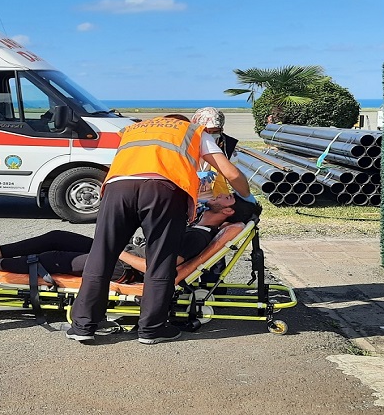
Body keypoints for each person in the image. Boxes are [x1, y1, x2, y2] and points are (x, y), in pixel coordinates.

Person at [67, 114, 257, 345]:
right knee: (161, 257)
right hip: (163, 190)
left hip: (118, 188)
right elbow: (232, 173)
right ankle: (151, 329)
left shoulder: (133, 130)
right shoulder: (192, 132)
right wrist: (247, 197)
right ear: (183, 122)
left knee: (102, 253)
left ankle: (83, 326)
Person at [0, 194, 259, 280]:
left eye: (225, 196)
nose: (219, 194)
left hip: (125, 267)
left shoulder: (197, 238)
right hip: (124, 254)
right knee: (57, 234)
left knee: (55, 259)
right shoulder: (196, 225)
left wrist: (116, 251)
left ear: (228, 209)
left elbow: (159, 270)